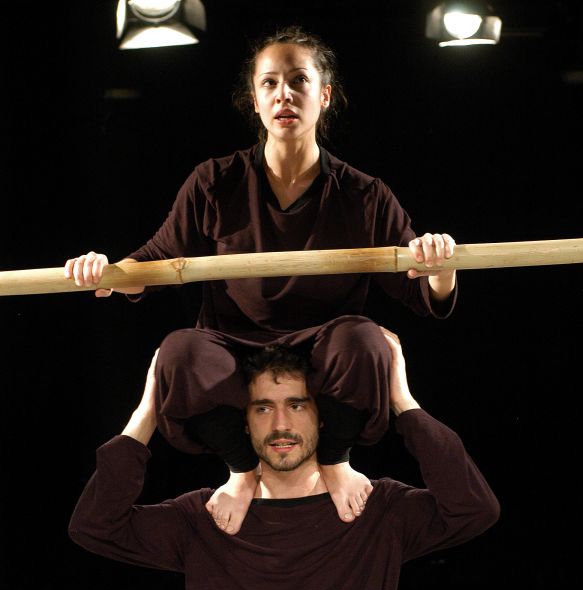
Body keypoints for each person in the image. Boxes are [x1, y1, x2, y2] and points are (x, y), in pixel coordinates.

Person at [63, 26, 458, 534]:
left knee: (365, 339)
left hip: (324, 349)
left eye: (298, 80)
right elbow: (156, 261)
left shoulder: (363, 194)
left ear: (325, 94)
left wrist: (440, 267)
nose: (283, 95)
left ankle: (336, 460)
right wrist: (106, 271)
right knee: (179, 351)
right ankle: (241, 472)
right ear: (254, 99)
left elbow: (422, 290)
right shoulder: (213, 181)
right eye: (269, 83)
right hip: (233, 347)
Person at [68, 328, 500, 590]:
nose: (280, 424)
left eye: (296, 405)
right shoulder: (205, 519)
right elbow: (94, 527)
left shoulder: (378, 510)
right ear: (244, 422)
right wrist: (148, 411)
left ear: (322, 415)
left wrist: (402, 400)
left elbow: (474, 509)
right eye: (262, 408)